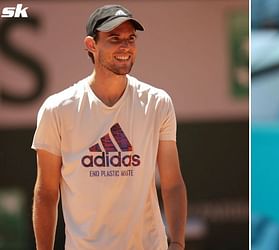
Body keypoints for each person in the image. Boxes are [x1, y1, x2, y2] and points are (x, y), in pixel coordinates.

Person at [31, 5, 187, 250]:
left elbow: (172, 183)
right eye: (114, 39)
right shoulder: (57, 109)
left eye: (131, 39)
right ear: (91, 45)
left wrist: (177, 242)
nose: (125, 47)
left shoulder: (158, 103)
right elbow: (47, 192)